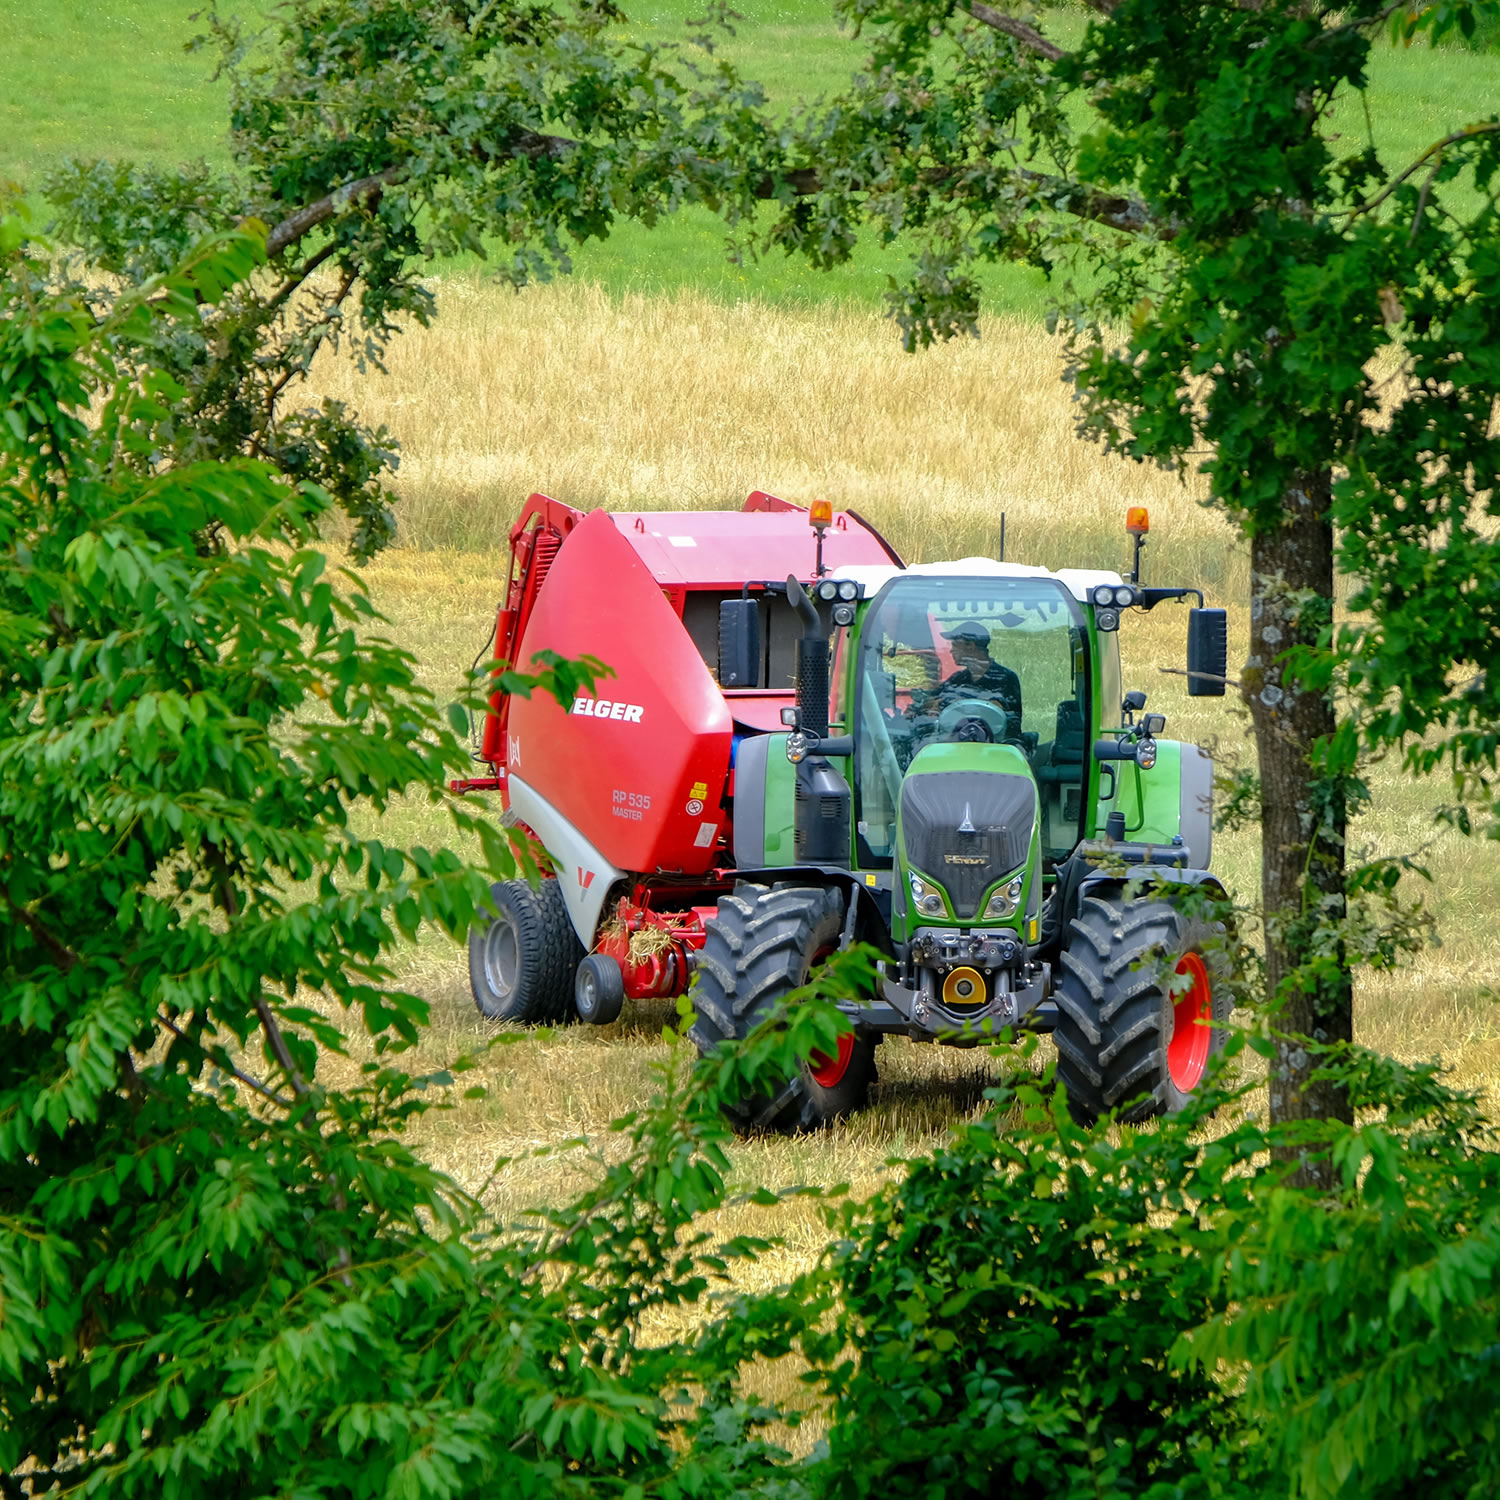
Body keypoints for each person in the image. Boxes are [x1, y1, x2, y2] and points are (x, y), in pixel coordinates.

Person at [912, 622, 1023, 738]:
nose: (951, 651)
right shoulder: (957, 679)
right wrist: (933, 704)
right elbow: (929, 700)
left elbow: (1010, 720)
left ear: (970, 645)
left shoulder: (1005, 679)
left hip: (995, 747)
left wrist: (949, 702)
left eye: (954, 645)